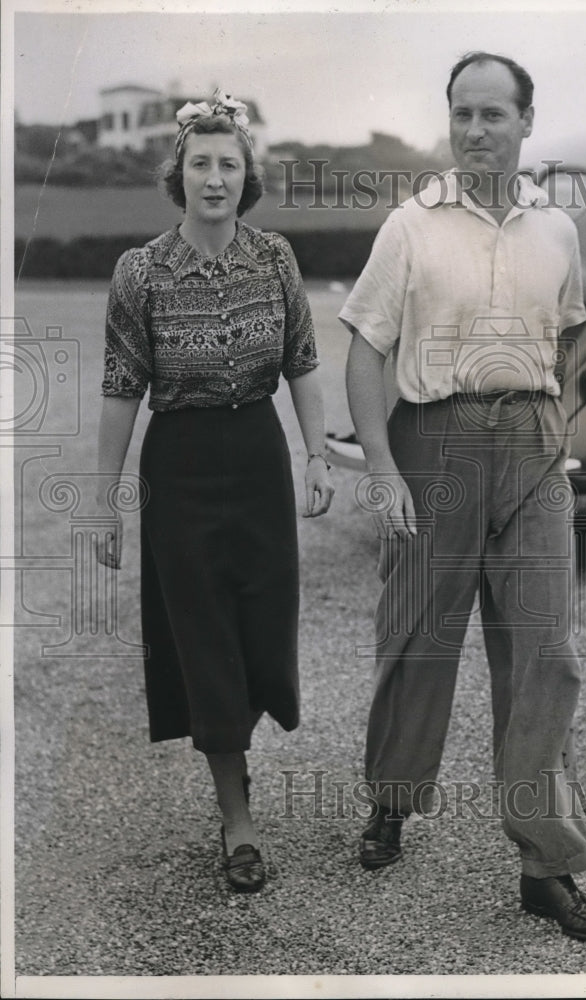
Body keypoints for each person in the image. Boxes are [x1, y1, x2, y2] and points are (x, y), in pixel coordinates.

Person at [339, 53, 586, 942]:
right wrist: (383, 467)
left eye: (492, 114)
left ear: (527, 122)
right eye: (461, 113)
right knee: (419, 636)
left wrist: (548, 425)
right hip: (435, 442)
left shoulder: (558, 232)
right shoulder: (409, 228)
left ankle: (546, 864)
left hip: (533, 448)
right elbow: (365, 350)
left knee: (546, 653)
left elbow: (565, 333)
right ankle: (391, 801)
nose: (473, 130)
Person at [95, 89, 334, 894]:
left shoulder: (275, 260)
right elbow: (121, 389)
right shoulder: (141, 272)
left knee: (263, 634)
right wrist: (106, 501)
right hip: (183, 468)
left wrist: (316, 457)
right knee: (204, 645)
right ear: (180, 173)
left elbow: (301, 359)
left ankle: (237, 747)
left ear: (245, 176)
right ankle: (237, 816)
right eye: (201, 164)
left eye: (228, 164)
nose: (215, 178)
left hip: (258, 458)